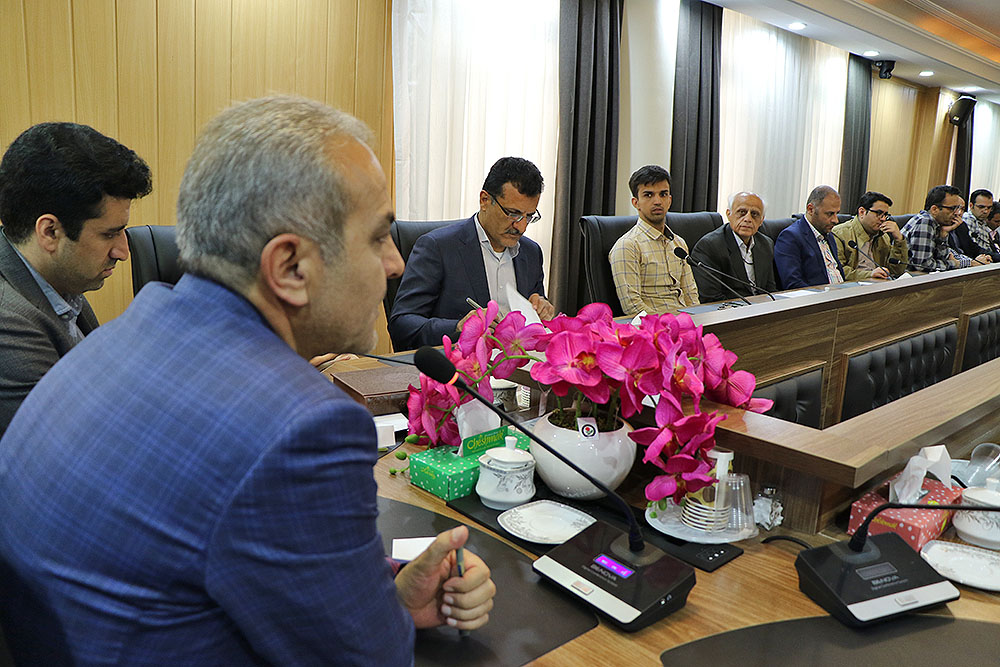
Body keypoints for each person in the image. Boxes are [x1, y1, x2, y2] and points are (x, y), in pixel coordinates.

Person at [0, 96, 495, 664]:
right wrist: (384, 616)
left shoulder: (131, 328)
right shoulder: (303, 429)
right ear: (290, 267)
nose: (395, 264)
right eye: (377, 237)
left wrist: (387, 595)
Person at [0, 122, 152, 437]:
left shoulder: (58, 280)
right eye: (109, 234)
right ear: (50, 232)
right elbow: (77, 443)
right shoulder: (8, 322)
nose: (123, 252)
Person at [388, 157, 555, 351]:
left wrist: (542, 310)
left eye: (529, 216)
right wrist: (458, 327)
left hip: (518, 365)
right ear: (485, 200)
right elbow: (401, 325)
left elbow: (535, 317)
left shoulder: (531, 253)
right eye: (513, 214)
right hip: (459, 365)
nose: (521, 226)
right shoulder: (437, 248)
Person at [609, 165, 698, 315]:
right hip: (654, 326)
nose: (657, 201)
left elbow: (691, 296)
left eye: (663, 194)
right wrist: (669, 324)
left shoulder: (679, 244)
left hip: (686, 321)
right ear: (636, 203)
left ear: (669, 200)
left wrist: (698, 320)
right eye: (648, 195)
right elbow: (632, 306)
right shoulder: (627, 246)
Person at [689, 191, 777, 302]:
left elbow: (770, 290)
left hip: (760, 308)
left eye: (754, 214)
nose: (748, 219)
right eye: (742, 212)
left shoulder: (766, 244)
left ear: (761, 220)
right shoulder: (710, 246)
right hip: (729, 309)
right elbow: (710, 298)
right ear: (729, 214)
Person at [901, 185, 990, 273]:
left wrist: (943, 235)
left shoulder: (938, 225)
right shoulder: (925, 222)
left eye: (958, 208)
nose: (957, 213)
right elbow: (922, 265)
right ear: (934, 209)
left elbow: (944, 257)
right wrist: (955, 264)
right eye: (952, 208)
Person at [774, 185, 845, 289]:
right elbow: (793, 284)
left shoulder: (828, 235)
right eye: (830, 214)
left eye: (837, 213)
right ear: (811, 209)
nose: (836, 220)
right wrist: (823, 296)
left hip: (841, 294)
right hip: (818, 297)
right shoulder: (790, 237)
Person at [831, 191, 908, 281]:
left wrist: (899, 239)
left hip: (878, 285)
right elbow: (837, 271)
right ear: (862, 212)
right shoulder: (840, 234)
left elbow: (896, 271)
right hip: (852, 286)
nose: (883, 219)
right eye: (878, 213)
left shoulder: (883, 237)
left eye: (885, 215)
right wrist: (870, 274)